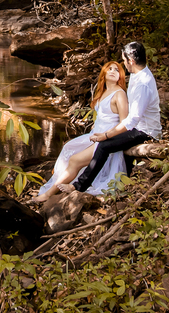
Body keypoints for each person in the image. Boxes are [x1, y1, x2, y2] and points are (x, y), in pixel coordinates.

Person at [70, 40, 161, 194]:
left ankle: (79, 186)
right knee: (111, 143)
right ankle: (124, 182)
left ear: (131, 61)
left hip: (146, 132)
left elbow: (133, 120)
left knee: (105, 145)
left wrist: (106, 135)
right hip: (137, 127)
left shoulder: (143, 83)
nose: (123, 64)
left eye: (124, 60)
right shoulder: (137, 74)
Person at [34, 61, 129, 202]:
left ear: (121, 75)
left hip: (107, 138)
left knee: (75, 160)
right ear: (104, 72)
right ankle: (63, 183)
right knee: (68, 148)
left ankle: (49, 194)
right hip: (95, 134)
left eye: (117, 70)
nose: (113, 71)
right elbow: (104, 115)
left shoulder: (119, 94)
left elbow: (125, 123)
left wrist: (106, 136)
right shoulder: (103, 92)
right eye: (110, 69)